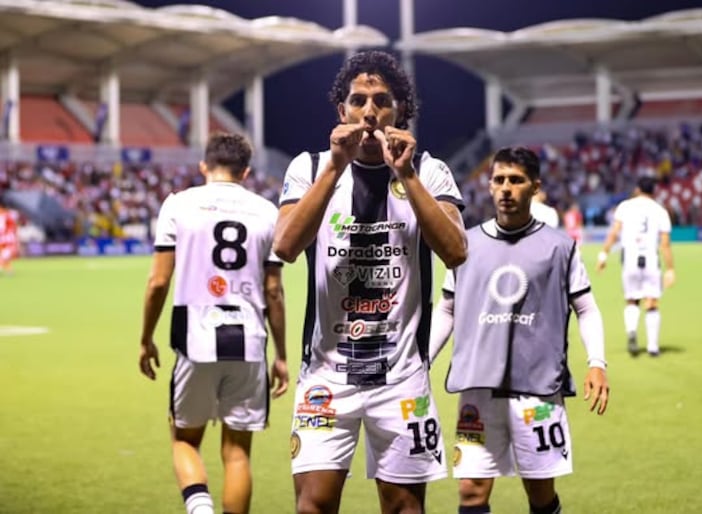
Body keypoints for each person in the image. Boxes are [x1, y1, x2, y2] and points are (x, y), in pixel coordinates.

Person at [273, 50, 467, 514]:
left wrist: (407, 174)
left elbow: (457, 250)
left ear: (401, 110)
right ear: (341, 111)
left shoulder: (432, 172)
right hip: (325, 375)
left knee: (404, 509)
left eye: (382, 100)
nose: (369, 111)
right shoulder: (309, 167)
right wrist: (335, 168)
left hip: (401, 378)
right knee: (312, 507)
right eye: (358, 100)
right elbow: (284, 245)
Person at [429, 146, 609, 514]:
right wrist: (421, 362)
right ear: (489, 186)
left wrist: (597, 363)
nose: (506, 188)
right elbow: (447, 306)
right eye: (499, 180)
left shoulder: (560, 247)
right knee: (471, 492)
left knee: (540, 494)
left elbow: (586, 307)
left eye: (516, 180)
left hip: (538, 389)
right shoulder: (464, 244)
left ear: (535, 187)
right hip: (478, 387)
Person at [139, 132, 290, 514]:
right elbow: (274, 291)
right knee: (237, 453)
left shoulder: (178, 205)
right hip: (250, 342)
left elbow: (158, 281)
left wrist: (146, 339)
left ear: (204, 166)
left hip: (195, 339)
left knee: (184, 439)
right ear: (246, 171)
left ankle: (199, 508)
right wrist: (282, 355)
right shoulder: (268, 212)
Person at [597, 176, 675, 357]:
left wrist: (603, 255)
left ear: (638, 189)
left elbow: (614, 233)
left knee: (632, 300)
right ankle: (653, 347)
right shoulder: (660, 211)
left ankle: (632, 332)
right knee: (652, 302)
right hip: (650, 259)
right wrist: (670, 269)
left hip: (629, 259)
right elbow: (665, 244)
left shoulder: (625, 207)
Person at [0, 197, 19, 275]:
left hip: (6, 238)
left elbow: (12, 227)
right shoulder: (8, 214)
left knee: (5, 254)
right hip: (6, 238)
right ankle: (7, 269)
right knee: (4, 254)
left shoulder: (7, 215)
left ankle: (7, 268)